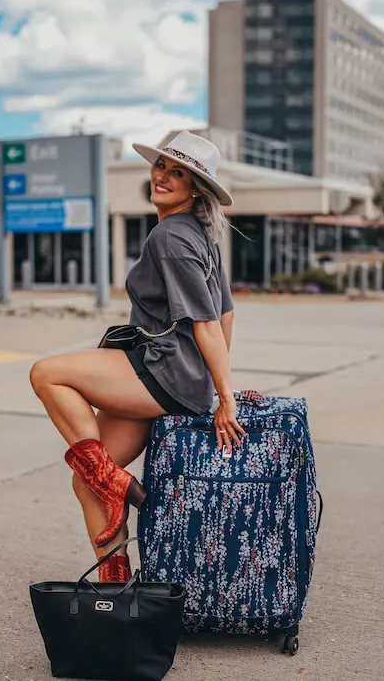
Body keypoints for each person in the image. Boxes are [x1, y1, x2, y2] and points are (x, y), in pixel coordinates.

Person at [29, 130, 246, 582]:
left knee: (47, 374)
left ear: (195, 188)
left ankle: (115, 482)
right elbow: (226, 314)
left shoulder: (169, 238)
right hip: (179, 382)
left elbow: (208, 323)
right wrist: (209, 386)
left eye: (178, 172)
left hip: (160, 374)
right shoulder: (204, 238)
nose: (163, 176)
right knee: (84, 481)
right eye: (162, 166)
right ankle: (117, 584)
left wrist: (225, 396)